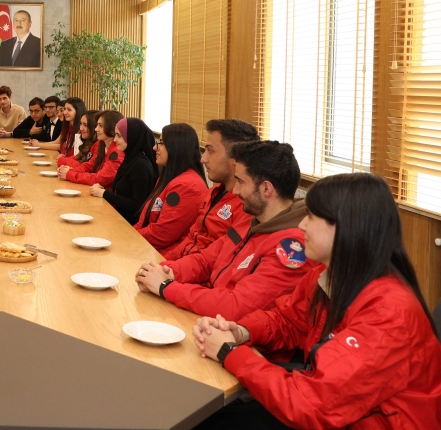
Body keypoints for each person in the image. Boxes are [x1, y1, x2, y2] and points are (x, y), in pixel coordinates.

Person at [192, 173, 441, 430]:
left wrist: (229, 352)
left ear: (345, 227)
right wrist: (241, 331)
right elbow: (287, 321)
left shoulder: (389, 313)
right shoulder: (329, 275)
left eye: (311, 217)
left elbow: (313, 405)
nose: (301, 225)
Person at [136, 140, 316, 322]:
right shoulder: (250, 220)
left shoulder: (292, 247)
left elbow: (237, 306)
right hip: (212, 318)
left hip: (235, 331)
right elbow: (205, 261)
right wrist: (164, 271)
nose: (235, 191)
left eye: (241, 182)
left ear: (266, 189)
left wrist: (166, 286)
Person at [161, 119, 259, 260]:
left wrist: (169, 268)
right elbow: (190, 240)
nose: (203, 159)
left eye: (210, 151)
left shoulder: (246, 207)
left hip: (197, 271)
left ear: (235, 158)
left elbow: (217, 262)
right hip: (179, 266)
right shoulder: (210, 194)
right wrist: (163, 263)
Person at [133, 123, 208, 252]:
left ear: (176, 147)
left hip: (164, 257)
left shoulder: (187, 186)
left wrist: (130, 236)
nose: (154, 147)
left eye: (161, 143)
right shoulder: (169, 176)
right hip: (147, 248)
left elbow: (161, 234)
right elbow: (144, 220)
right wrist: (129, 234)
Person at [91, 116, 158, 224]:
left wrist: (104, 194)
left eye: (119, 136)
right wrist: (103, 190)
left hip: (129, 225)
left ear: (132, 137)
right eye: (115, 135)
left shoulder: (141, 165)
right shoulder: (130, 158)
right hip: (117, 217)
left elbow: (136, 206)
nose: (115, 140)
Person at [59, 110, 125, 186]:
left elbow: (100, 179)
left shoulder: (117, 152)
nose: (96, 129)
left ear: (112, 129)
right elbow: (90, 165)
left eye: (100, 126)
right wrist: (70, 171)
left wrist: (70, 174)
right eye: (97, 125)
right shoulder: (101, 144)